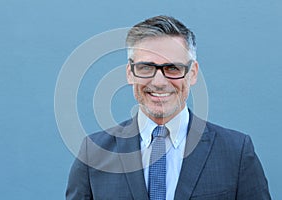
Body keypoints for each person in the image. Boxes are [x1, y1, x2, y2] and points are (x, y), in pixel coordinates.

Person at [66, 15, 271, 199]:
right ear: (130, 73)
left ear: (192, 73)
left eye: (172, 68)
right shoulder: (93, 153)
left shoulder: (236, 152)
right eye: (146, 67)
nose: (159, 82)